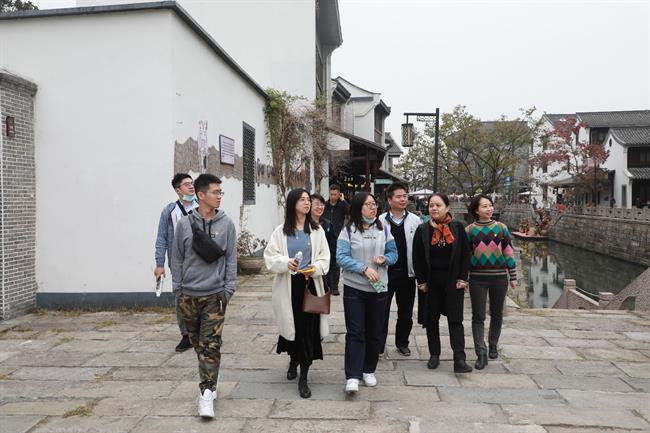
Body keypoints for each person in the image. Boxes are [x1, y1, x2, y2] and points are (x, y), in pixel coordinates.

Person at [171, 174, 237, 419]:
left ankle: (206, 392)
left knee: (211, 345)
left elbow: (231, 259)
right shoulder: (184, 225)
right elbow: (177, 258)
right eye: (215, 192)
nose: (219, 196)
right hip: (188, 295)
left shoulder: (226, 224)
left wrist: (228, 290)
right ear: (200, 195)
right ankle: (210, 383)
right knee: (199, 345)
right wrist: (178, 290)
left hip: (214, 296)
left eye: (221, 192)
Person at [264, 189, 331, 399]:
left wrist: (315, 268)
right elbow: (270, 257)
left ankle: (304, 377)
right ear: (293, 203)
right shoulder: (280, 231)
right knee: (292, 326)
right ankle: (293, 360)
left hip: (310, 285)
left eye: (308, 200)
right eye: (302, 200)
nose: (307, 203)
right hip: (289, 286)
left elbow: (325, 257)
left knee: (308, 330)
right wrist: (287, 263)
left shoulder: (317, 230)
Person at [337, 192, 397, 394]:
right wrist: (363, 268)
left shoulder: (384, 229)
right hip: (354, 288)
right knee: (355, 332)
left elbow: (394, 253)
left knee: (375, 332)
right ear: (358, 208)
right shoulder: (348, 230)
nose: (373, 208)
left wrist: (385, 259)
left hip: (379, 288)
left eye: (374, 204)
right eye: (368, 204)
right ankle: (352, 376)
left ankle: (368, 370)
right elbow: (341, 257)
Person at [412, 193, 472, 374]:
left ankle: (459, 359)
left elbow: (465, 254)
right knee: (432, 320)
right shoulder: (423, 230)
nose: (434, 208)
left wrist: (463, 278)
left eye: (438, 205)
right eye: (431, 205)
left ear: (447, 207)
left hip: (453, 282)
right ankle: (434, 354)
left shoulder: (457, 228)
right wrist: (421, 280)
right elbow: (417, 257)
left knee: (456, 320)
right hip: (431, 283)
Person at [466, 194, 517, 369]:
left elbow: (508, 252)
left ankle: (493, 344)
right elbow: (465, 256)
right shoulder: (469, 230)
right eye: (484, 206)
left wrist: (513, 276)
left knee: (497, 314)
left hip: (499, 278)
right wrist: (464, 278)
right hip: (477, 279)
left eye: (490, 205)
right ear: (476, 210)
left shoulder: (501, 228)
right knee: (478, 316)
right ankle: (481, 352)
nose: (489, 209)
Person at [154, 173, 199, 352]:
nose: (191, 186)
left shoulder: (203, 207)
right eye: (187, 184)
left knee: (203, 297)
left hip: (201, 262)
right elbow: (162, 238)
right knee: (181, 298)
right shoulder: (169, 211)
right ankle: (186, 335)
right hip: (178, 263)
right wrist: (159, 264)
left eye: (192, 183)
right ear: (178, 190)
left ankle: (206, 333)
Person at [378, 182, 421, 356]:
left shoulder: (415, 220)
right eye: (399, 196)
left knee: (406, 313)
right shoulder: (380, 220)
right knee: (381, 311)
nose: (403, 199)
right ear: (390, 200)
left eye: (405, 196)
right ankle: (379, 345)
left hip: (407, 274)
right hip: (384, 273)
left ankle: (402, 343)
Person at [324, 184, 349, 295]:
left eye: (335, 194)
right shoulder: (325, 205)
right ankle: (327, 285)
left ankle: (334, 287)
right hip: (325, 236)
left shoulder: (342, 205)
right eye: (331, 194)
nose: (333, 196)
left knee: (335, 262)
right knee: (326, 261)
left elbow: (351, 212)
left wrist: (343, 201)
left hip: (338, 236)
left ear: (339, 195)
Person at [310, 193, 337, 291]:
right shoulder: (303, 225)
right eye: (317, 204)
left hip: (324, 269)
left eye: (322, 204)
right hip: (308, 270)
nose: (320, 207)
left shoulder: (328, 225)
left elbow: (333, 250)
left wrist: (333, 278)